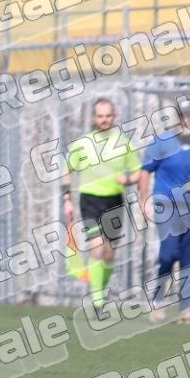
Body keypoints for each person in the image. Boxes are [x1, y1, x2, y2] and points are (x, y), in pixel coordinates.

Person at [140, 98, 190, 325]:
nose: (188, 120)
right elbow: (145, 171)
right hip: (167, 205)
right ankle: (157, 300)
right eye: (184, 116)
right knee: (168, 253)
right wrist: (144, 201)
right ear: (178, 118)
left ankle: (186, 309)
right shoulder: (161, 142)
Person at [63, 98, 140, 310]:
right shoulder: (83, 143)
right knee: (96, 248)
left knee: (108, 254)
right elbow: (66, 170)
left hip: (114, 201)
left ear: (113, 116)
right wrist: (67, 199)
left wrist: (128, 179)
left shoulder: (124, 143)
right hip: (90, 200)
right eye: (100, 116)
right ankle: (97, 301)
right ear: (93, 117)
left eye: (108, 116)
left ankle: (99, 289)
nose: (104, 120)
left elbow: (138, 172)